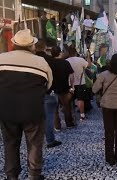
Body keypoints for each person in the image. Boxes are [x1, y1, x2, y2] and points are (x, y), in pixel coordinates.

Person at [0, 29, 53, 180]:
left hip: (6, 110)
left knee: (10, 143)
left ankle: (11, 175)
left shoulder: (1, 59)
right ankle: (34, 174)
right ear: (31, 46)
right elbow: (49, 85)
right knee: (34, 143)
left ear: (14, 44)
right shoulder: (41, 62)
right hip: (33, 110)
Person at [92, 53, 117, 166]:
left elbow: (94, 89)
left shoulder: (104, 75)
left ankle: (110, 157)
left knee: (109, 131)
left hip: (107, 106)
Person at [35, 41, 62, 148]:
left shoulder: (32, 60)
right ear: (45, 48)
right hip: (48, 92)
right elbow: (54, 77)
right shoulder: (51, 60)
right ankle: (50, 140)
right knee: (48, 118)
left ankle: (34, 140)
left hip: (31, 93)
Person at [50, 46, 76, 130]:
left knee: (55, 109)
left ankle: (57, 126)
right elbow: (71, 75)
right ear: (60, 53)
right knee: (66, 107)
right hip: (64, 87)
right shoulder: (65, 63)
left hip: (52, 88)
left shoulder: (49, 63)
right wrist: (72, 86)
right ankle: (69, 123)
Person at [66, 47, 91, 121]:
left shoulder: (66, 61)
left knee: (69, 100)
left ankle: (70, 115)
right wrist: (88, 56)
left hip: (70, 83)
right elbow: (89, 65)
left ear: (68, 53)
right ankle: (82, 115)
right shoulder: (80, 60)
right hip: (80, 83)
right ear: (75, 53)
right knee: (80, 99)